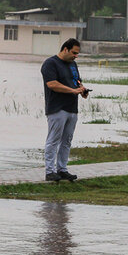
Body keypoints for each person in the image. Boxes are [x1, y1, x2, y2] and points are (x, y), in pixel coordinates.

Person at [41, 38, 88, 182]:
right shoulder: (50, 63)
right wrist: (72, 91)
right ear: (65, 49)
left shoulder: (73, 65)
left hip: (72, 109)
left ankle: (62, 169)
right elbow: (52, 84)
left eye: (77, 53)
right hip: (57, 108)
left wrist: (81, 90)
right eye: (74, 52)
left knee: (67, 140)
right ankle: (50, 171)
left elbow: (77, 81)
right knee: (53, 140)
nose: (76, 56)